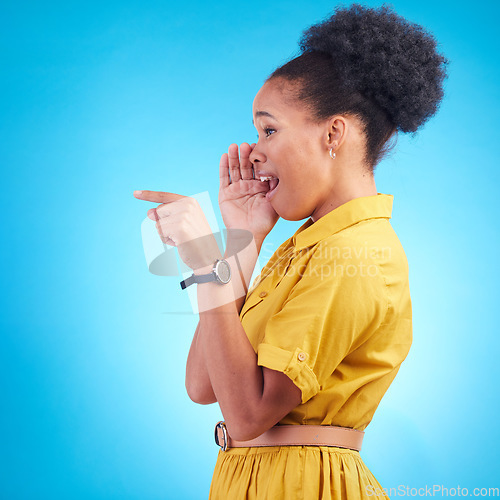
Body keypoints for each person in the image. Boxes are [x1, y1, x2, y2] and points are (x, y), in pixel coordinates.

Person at [133, 3, 448, 498]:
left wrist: (202, 259)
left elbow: (247, 414)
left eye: (269, 129)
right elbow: (203, 385)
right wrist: (244, 239)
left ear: (333, 134)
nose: (254, 150)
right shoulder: (303, 248)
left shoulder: (359, 253)